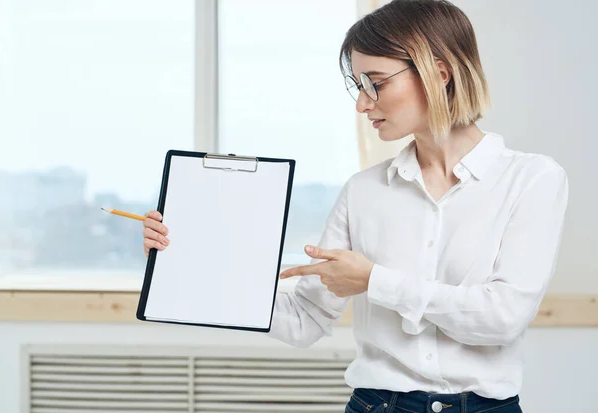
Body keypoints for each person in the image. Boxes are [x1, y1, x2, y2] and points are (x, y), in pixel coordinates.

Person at [142, 1, 569, 412]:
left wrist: (375, 281)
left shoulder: (533, 180)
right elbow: (305, 319)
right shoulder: (363, 190)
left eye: (375, 82)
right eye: (358, 85)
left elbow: (503, 317)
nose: (362, 104)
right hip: (376, 406)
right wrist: (185, 264)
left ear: (438, 73)